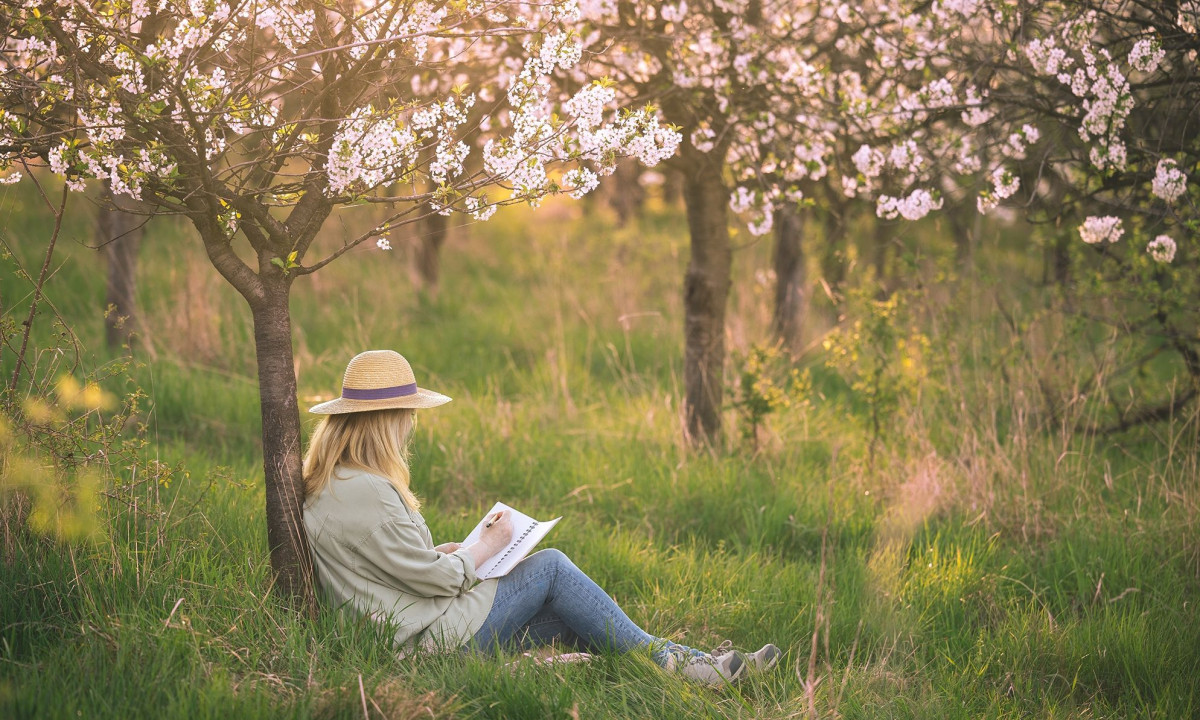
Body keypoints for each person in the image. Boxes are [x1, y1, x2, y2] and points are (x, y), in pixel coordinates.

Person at [302, 350, 780, 686]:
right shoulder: (367, 490)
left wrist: (443, 552)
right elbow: (433, 582)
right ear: (388, 419)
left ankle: (694, 666)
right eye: (408, 414)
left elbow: (388, 564)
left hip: (415, 635)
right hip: (426, 644)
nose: (411, 425)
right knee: (549, 565)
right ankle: (688, 666)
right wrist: (482, 549)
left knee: (577, 616)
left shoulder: (338, 483)